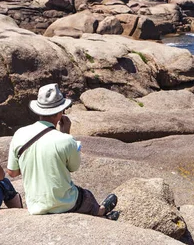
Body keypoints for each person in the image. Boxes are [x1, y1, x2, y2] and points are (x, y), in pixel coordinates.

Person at [6, 83, 118, 219]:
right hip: (64, 203)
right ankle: (101, 212)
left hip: (35, 205)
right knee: (86, 196)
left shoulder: (19, 133)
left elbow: (12, 172)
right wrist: (66, 134)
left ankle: (102, 214)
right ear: (60, 112)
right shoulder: (65, 140)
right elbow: (73, 167)